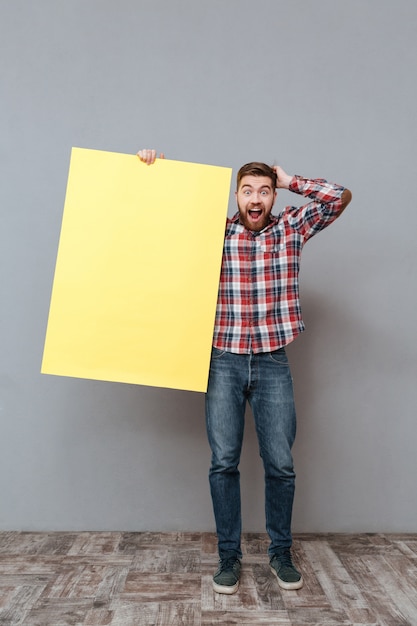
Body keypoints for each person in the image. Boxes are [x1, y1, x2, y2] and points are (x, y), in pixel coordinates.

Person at [137, 148, 352, 594]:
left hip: (274, 361)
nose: (256, 198)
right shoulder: (212, 234)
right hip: (223, 361)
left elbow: (339, 197)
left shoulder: (292, 227)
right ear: (236, 195)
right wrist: (149, 170)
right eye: (248, 190)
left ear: (273, 197)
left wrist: (292, 180)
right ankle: (229, 559)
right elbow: (154, 222)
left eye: (265, 191)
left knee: (281, 465)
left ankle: (280, 554)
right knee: (223, 463)